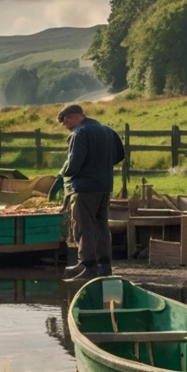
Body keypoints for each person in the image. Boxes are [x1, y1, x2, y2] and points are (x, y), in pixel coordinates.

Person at [57, 104, 125, 281]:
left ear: (69, 118)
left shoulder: (79, 133)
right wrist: (101, 165)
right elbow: (119, 155)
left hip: (84, 188)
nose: (67, 127)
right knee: (101, 225)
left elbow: (74, 164)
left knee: (83, 226)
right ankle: (104, 266)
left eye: (66, 123)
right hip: (104, 186)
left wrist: (63, 173)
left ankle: (88, 266)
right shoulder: (108, 131)